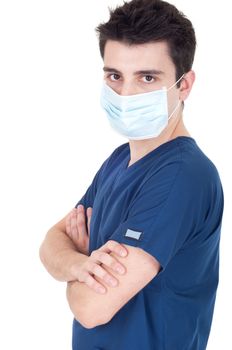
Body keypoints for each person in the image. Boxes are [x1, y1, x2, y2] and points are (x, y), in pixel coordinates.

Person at [39, 0, 224, 349]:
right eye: (115, 76)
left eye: (147, 78)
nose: (125, 94)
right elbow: (50, 243)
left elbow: (93, 309)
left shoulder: (183, 176)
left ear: (184, 86)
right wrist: (82, 267)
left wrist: (70, 267)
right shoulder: (119, 159)